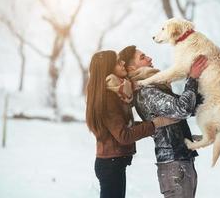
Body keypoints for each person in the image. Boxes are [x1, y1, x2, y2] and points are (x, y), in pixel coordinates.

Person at [85, 50, 180, 198]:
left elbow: (123, 126)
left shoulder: (115, 92)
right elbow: (124, 135)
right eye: (117, 61)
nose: (122, 62)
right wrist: (155, 124)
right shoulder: (108, 97)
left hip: (112, 163)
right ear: (108, 68)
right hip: (110, 165)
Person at [119, 46, 208, 198]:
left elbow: (187, 106)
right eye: (142, 57)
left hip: (180, 162)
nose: (149, 58)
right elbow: (182, 109)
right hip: (174, 165)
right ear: (131, 68)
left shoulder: (155, 87)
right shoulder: (146, 92)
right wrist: (192, 78)